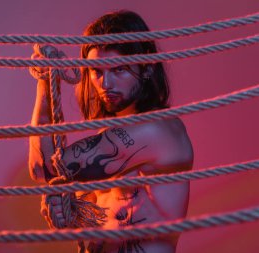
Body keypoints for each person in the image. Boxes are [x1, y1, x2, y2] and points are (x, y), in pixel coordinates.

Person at [28, 10, 193, 253]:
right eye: (97, 71)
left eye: (119, 69)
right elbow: (106, 216)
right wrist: (70, 211)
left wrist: (45, 85)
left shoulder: (155, 130)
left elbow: (46, 168)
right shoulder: (111, 130)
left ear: (147, 67)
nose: (105, 84)